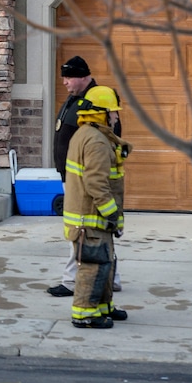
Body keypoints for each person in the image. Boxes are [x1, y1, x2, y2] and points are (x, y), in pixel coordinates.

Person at [47, 54, 122, 297]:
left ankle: (71, 281)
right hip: (72, 176)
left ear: (83, 77)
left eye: (69, 77)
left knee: (81, 231)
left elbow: (111, 137)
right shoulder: (75, 98)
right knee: (95, 233)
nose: (65, 82)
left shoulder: (97, 101)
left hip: (84, 179)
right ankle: (112, 277)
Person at [63, 85, 131, 329]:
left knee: (105, 263)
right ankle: (85, 314)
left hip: (92, 218)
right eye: (113, 112)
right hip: (90, 219)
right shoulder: (96, 141)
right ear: (101, 114)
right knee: (93, 266)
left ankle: (103, 307)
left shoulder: (89, 135)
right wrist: (112, 213)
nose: (116, 117)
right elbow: (96, 183)